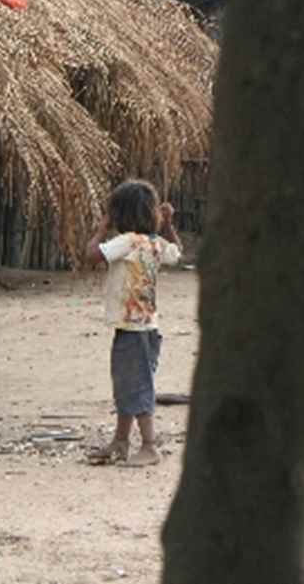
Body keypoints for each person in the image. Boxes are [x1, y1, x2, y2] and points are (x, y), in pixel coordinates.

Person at [81, 180, 183, 467]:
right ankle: (121, 441)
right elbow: (177, 252)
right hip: (148, 328)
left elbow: (91, 255)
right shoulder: (155, 243)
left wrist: (101, 228)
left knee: (136, 386)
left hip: (131, 329)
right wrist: (168, 225)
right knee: (129, 383)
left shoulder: (126, 242)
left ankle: (149, 445)